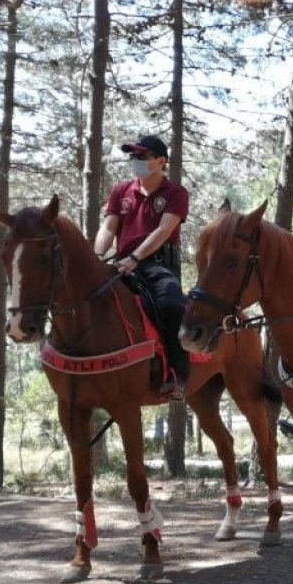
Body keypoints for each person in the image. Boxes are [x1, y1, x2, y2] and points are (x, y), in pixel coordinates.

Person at [93, 135, 191, 401]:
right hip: (123, 264)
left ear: (161, 162)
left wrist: (135, 257)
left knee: (171, 307)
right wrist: (96, 258)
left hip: (159, 267)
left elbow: (164, 230)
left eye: (142, 156)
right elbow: (108, 228)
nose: (135, 161)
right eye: (133, 156)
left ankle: (177, 375)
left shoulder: (175, 193)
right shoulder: (120, 191)